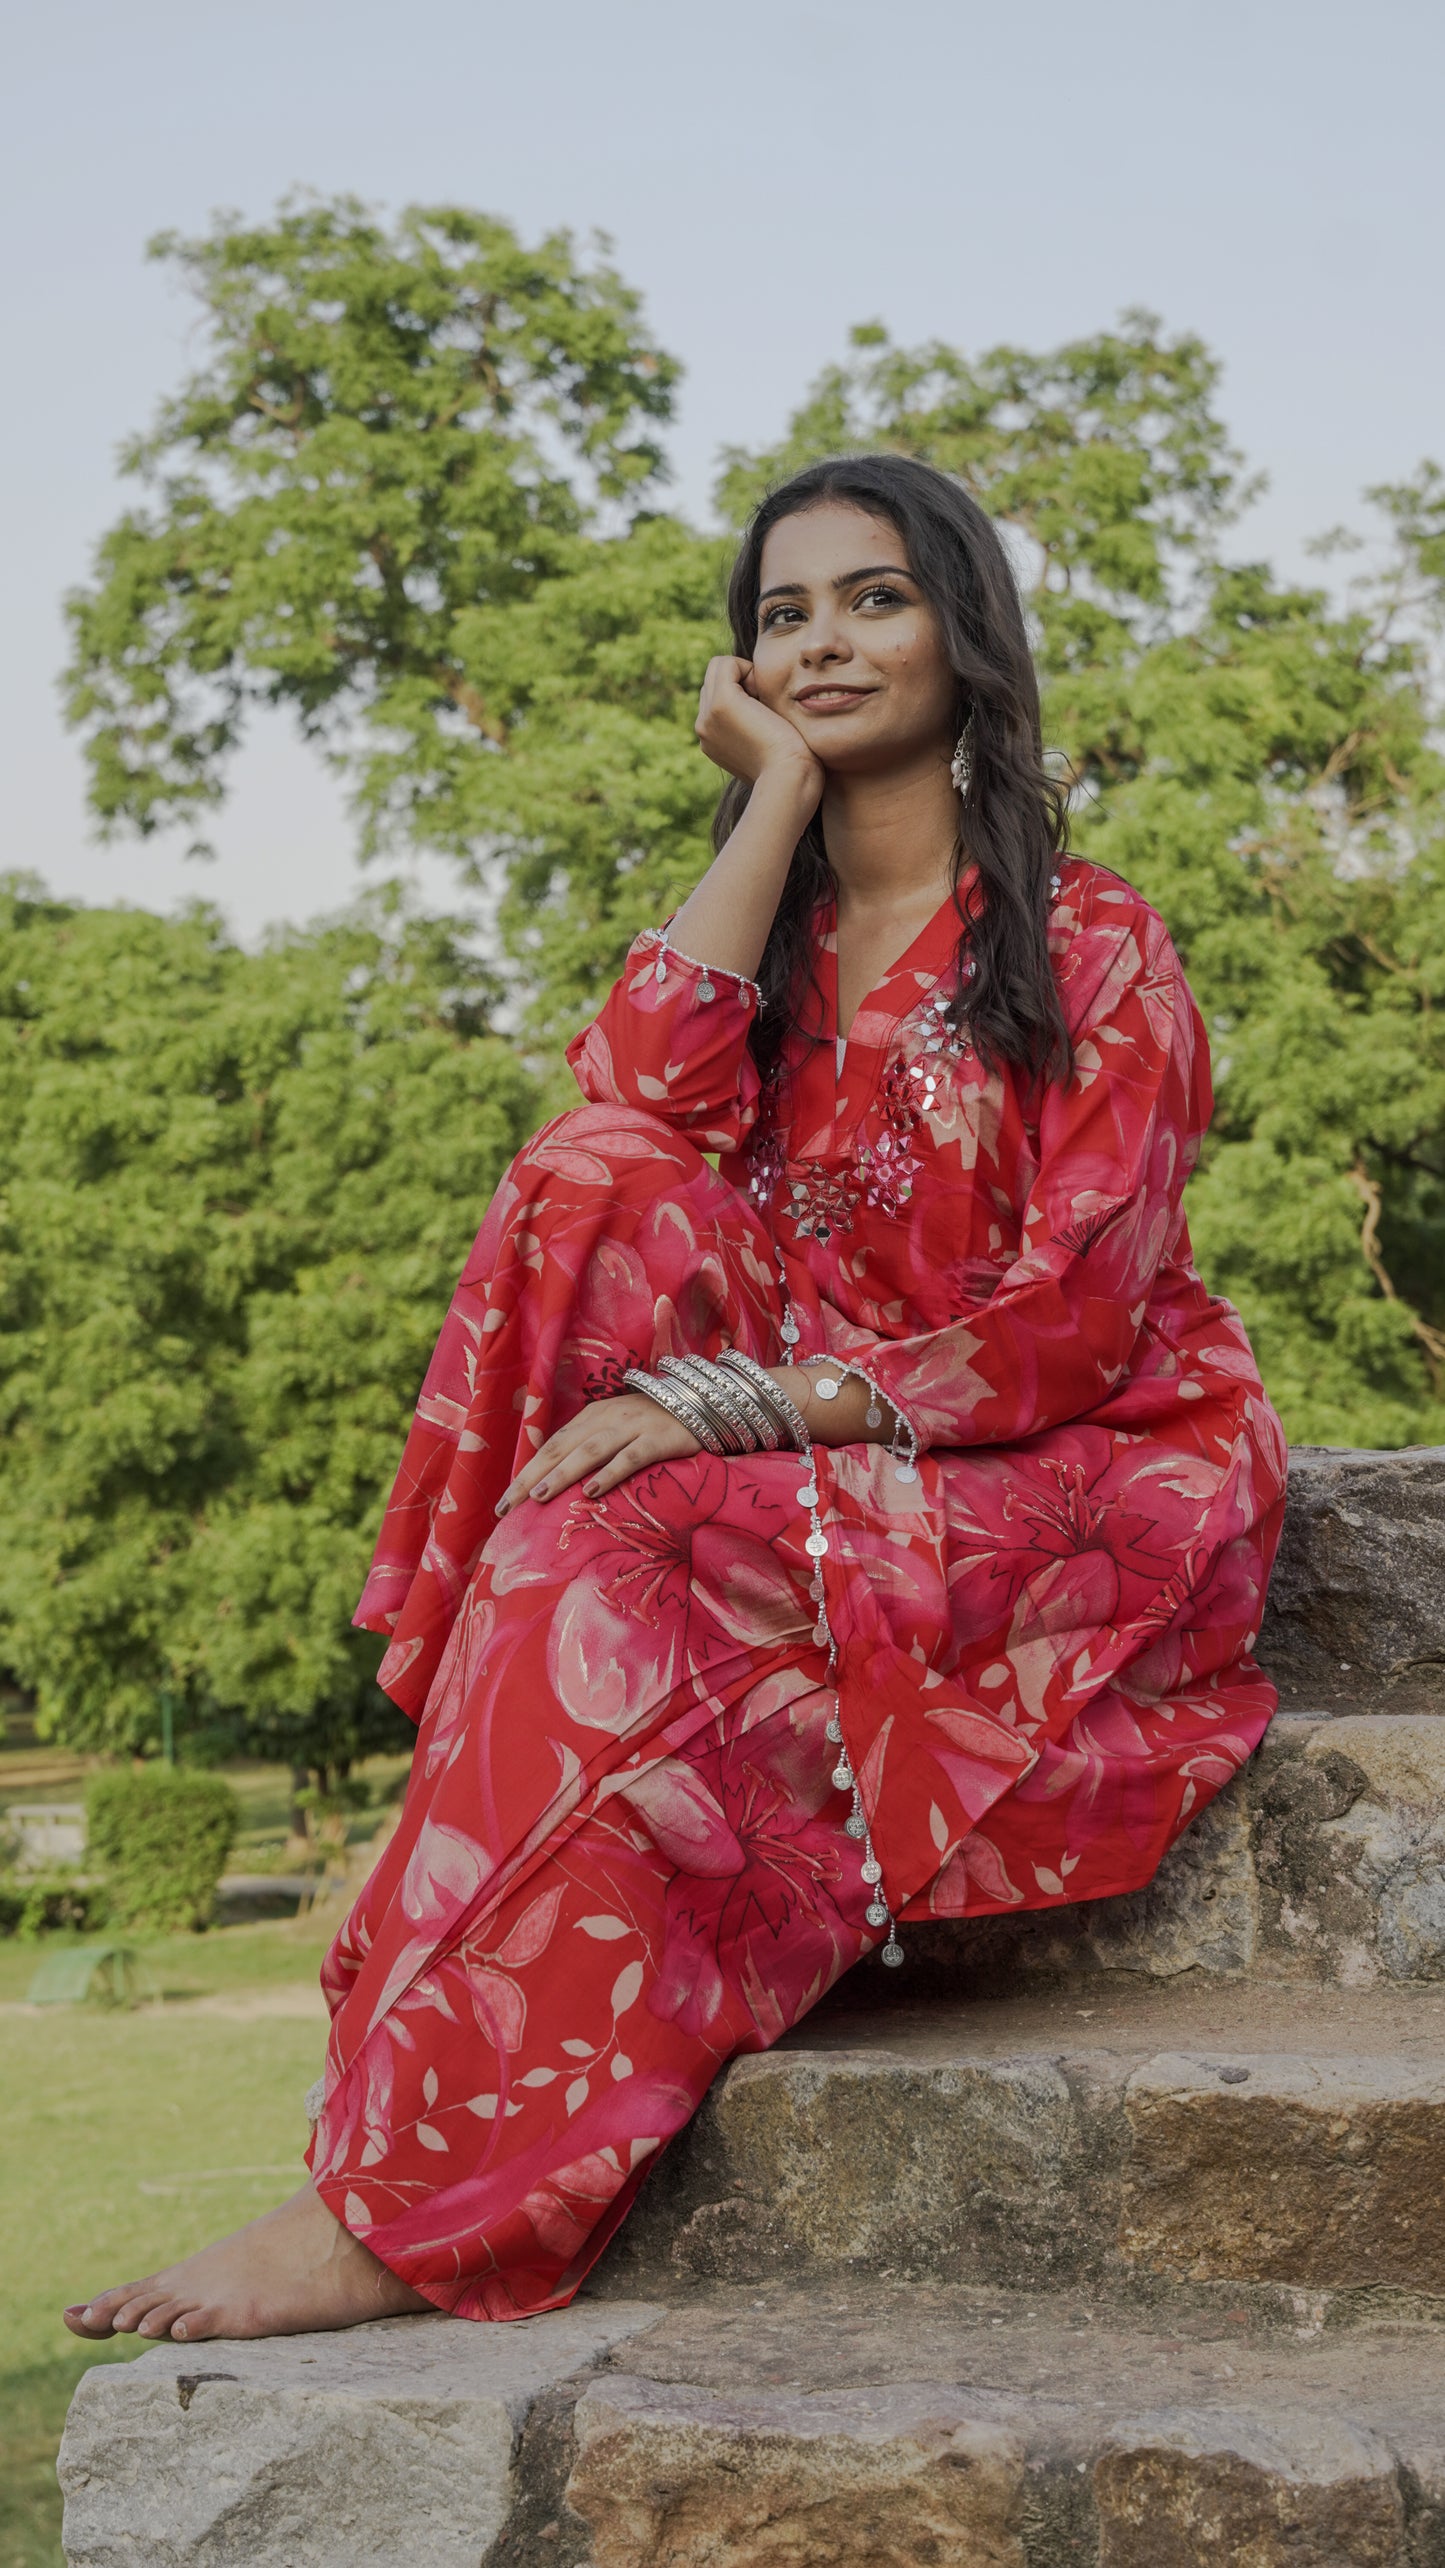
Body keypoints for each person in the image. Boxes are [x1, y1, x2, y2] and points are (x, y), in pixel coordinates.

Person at [65, 454, 1287, 2347]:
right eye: (782, 615)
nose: (821, 641)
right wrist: (775, 797)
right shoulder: (779, 943)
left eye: (872, 600)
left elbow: (1079, 1319)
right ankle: (391, 2181)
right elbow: (629, 1088)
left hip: (1066, 1460)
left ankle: (389, 2217)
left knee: (599, 1547)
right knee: (587, 1183)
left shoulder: (1092, 937)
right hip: (795, 1431)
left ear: (962, 633)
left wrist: (742, 1408)